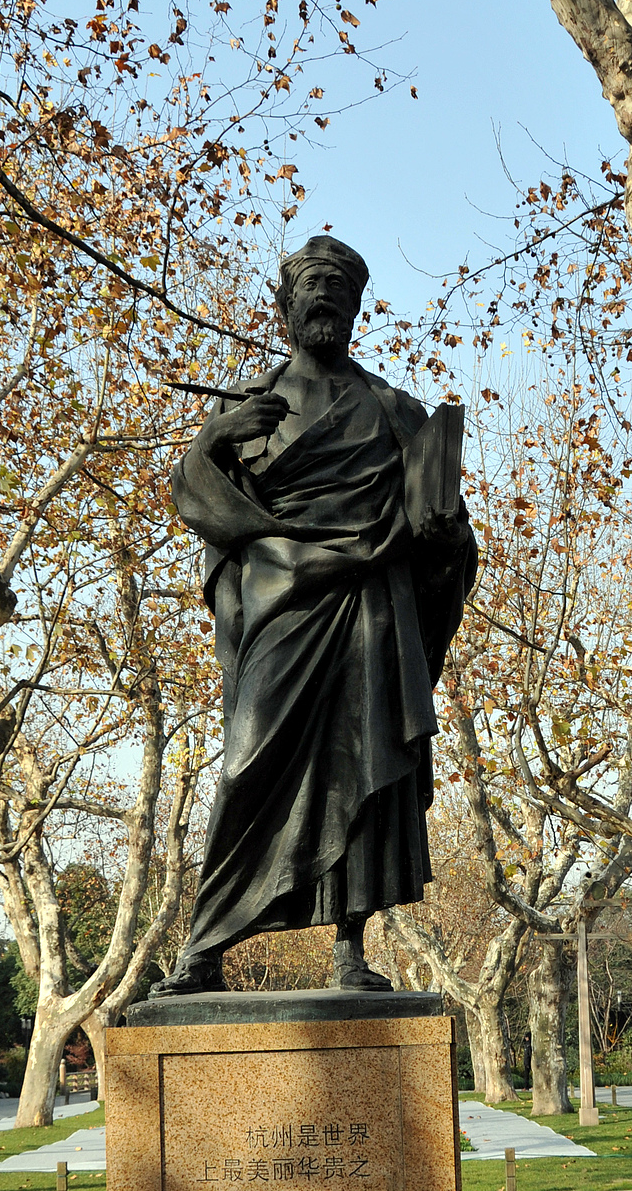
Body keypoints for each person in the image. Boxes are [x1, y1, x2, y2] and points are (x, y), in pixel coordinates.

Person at [150, 235, 478, 997]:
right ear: (284, 306)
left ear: (358, 308)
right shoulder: (245, 409)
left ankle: (349, 949)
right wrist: (209, 444)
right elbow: (202, 504)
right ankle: (206, 947)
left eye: (341, 289)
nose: (325, 299)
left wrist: (445, 536)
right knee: (249, 765)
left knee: (364, 769)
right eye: (312, 288)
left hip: (370, 608)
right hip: (280, 604)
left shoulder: (396, 409)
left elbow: (445, 525)